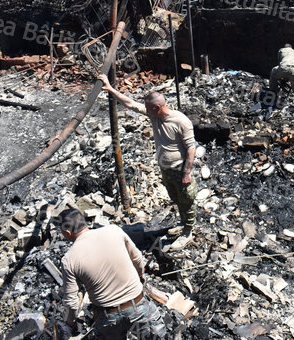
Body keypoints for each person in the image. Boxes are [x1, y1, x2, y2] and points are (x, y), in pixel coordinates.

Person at [99, 75, 198, 245]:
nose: (145, 110)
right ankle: (183, 223)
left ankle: (188, 232)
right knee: (176, 198)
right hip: (165, 168)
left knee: (187, 200)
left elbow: (191, 148)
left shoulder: (181, 121)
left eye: (148, 108)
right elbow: (131, 104)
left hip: (180, 169)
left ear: (157, 107)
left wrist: (187, 173)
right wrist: (110, 88)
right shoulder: (154, 115)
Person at [58, 208, 165, 339]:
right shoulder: (114, 231)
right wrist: (139, 277)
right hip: (138, 306)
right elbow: (137, 259)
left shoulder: (69, 259)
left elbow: (71, 302)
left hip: (108, 317)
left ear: (67, 233)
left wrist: (71, 324)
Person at [269, 44, 294, 113]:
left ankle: (273, 91)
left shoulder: (281, 50)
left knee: (273, 72)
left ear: (285, 47)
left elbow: (280, 62)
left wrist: (283, 76)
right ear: (291, 48)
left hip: (284, 67)